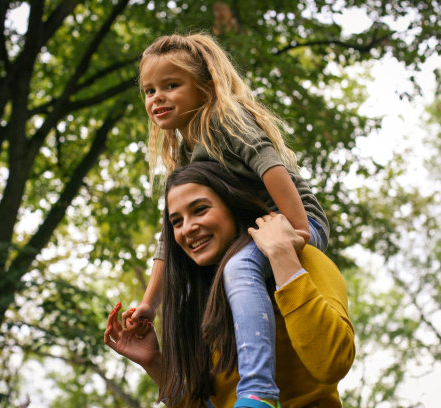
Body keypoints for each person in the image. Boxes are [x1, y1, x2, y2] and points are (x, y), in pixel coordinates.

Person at [126, 33, 331, 407]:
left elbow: (270, 165)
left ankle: (258, 392)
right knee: (188, 289)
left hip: (294, 223)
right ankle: (200, 396)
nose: (157, 98)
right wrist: (150, 305)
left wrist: (296, 230)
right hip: (256, 232)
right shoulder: (186, 156)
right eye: (149, 91)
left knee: (238, 268)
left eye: (171, 86)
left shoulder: (223, 122)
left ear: (205, 87)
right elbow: (166, 242)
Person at [107, 162, 354, 408]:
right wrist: (154, 363)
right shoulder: (196, 300)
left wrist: (282, 258)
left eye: (200, 209)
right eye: (177, 221)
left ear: (232, 206)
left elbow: (332, 364)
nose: (188, 228)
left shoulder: (301, 260)